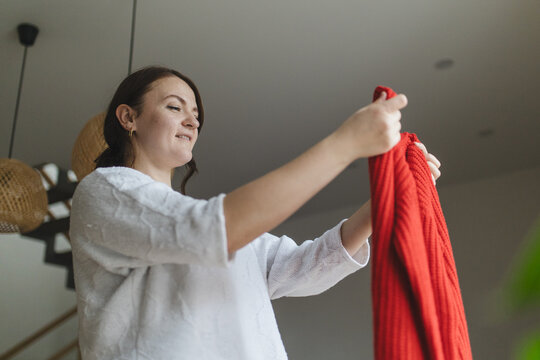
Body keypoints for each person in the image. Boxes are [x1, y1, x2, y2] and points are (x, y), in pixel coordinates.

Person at [70, 66, 442, 360]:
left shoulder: (211, 222)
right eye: (174, 107)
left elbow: (307, 265)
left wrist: (388, 195)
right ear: (128, 117)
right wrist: (345, 144)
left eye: (196, 114)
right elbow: (216, 229)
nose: (192, 121)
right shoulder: (104, 189)